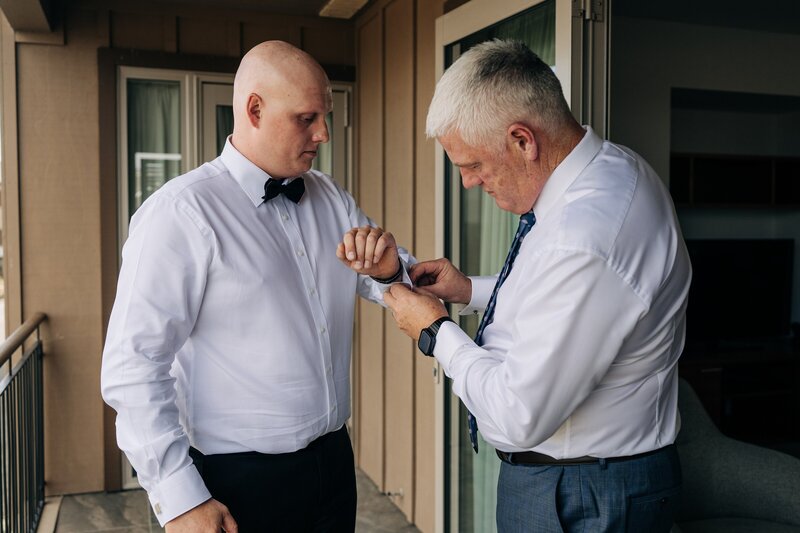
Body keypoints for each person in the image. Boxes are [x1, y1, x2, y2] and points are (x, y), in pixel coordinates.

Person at [380, 39, 692, 532]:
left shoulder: (584, 235)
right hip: (579, 481)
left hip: (584, 497)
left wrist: (436, 332)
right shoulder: (613, 170)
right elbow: (563, 300)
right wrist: (469, 291)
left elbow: (516, 416)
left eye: (473, 165)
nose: (467, 183)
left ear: (524, 140)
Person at [101, 40, 411, 533]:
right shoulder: (180, 214)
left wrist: (390, 270)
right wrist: (179, 498)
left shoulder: (330, 196)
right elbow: (132, 366)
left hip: (333, 462)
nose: (324, 133)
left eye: (325, 117)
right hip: (235, 479)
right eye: (307, 118)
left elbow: (384, 277)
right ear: (254, 109)